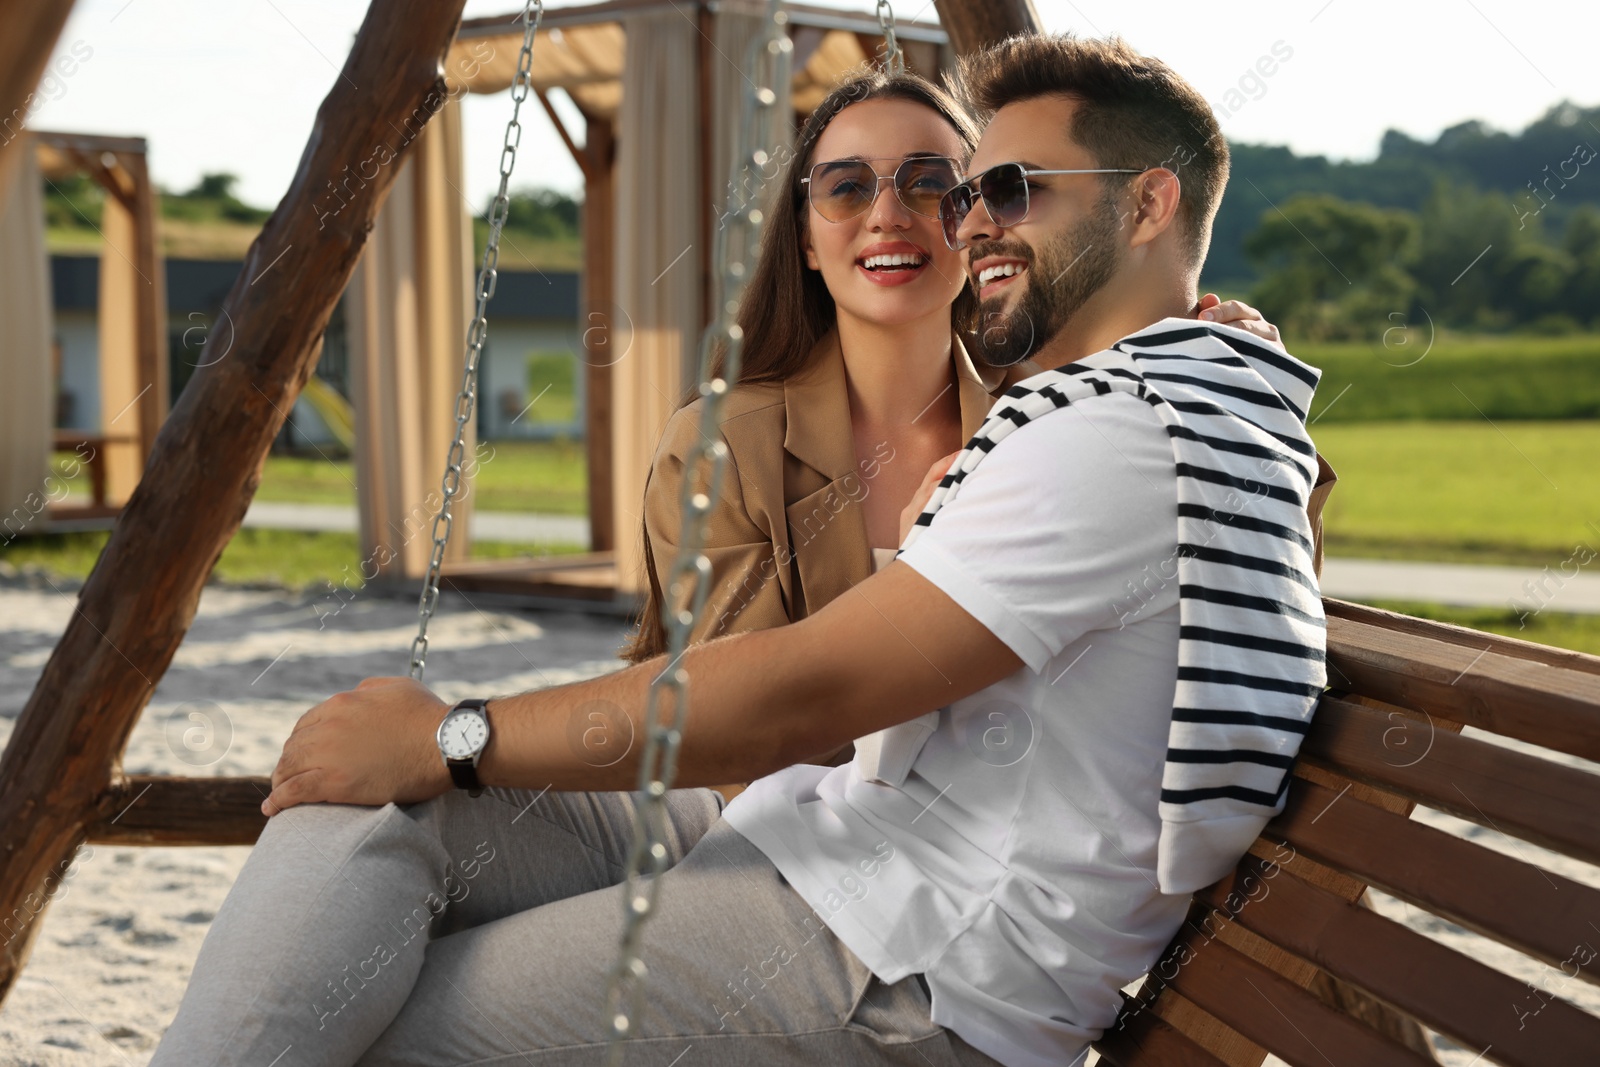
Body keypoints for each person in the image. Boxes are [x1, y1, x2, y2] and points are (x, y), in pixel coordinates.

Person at [151, 34, 1330, 1067]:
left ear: (1148, 204)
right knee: (365, 809)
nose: (967, 221)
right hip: (813, 841)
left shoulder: (1122, 428)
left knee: (360, 1023)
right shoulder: (1140, 405)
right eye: (970, 194)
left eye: (1003, 188)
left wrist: (457, 731)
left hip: (907, 964)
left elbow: (798, 689)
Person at [622, 69, 1296, 797]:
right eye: (846, 187)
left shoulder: (1061, 418)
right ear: (808, 242)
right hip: (792, 843)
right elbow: (741, 729)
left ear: (980, 218)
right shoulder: (723, 448)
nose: (886, 216)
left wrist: (1238, 393)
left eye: (929, 186)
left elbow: (1234, 590)